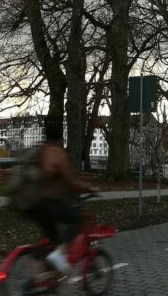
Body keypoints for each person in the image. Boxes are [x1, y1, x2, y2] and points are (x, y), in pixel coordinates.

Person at [34, 121, 98, 283]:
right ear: (60, 136)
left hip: (34, 203)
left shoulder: (39, 151)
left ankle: (47, 276)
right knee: (76, 220)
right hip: (51, 202)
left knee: (51, 239)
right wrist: (88, 188)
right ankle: (57, 259)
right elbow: (70, 183)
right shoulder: (57, 153)